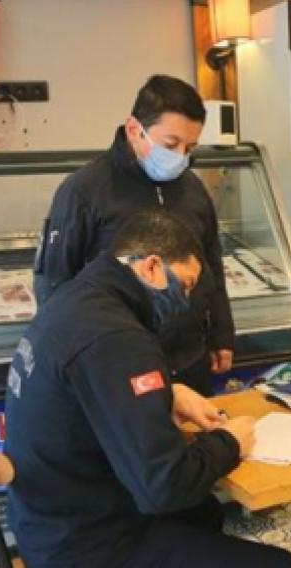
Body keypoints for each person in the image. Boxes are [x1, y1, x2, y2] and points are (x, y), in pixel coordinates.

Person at [5, 208, 291, 568]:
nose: (188, 298)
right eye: (185, 284)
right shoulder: (117, 338)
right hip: (87, 556)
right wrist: (230, 442)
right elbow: (164, 487)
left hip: (48, 528)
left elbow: (89, 393)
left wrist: (168, 392)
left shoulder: (76, 302)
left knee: (202, 516)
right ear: (149, 267)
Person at [34, 74, 234, 395]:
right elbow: (55, 283)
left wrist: (221, 333)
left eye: (190, 147)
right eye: (171, 145)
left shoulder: (193, 189)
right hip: (118, 366)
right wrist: (73, 360)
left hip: (189, 359)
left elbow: (212, 262)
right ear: (133, 130)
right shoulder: (84, 190)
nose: (180, 156)